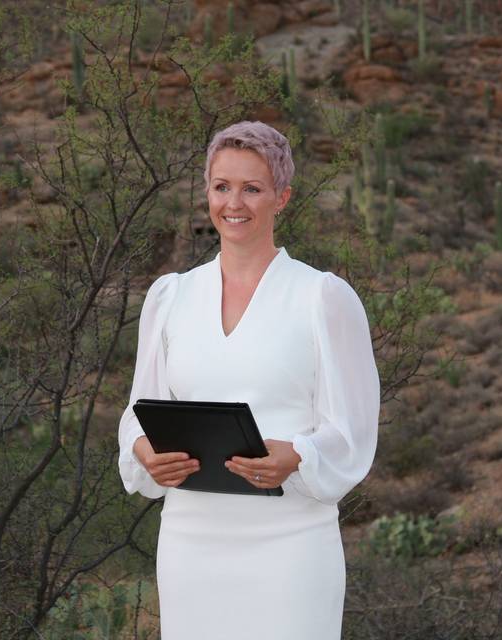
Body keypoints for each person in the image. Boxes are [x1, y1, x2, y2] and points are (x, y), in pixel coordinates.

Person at [117, 121, 379, 640]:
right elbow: (137, 413)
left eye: (252, 188)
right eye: (222, 187)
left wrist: (298, 455)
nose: (234, 203)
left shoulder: (322, 298)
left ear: (282, 197)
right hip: (191, 544)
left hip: (290, 545)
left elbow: (352, 430)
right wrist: (144, 449)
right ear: (207, 193)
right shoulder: (170, 297)